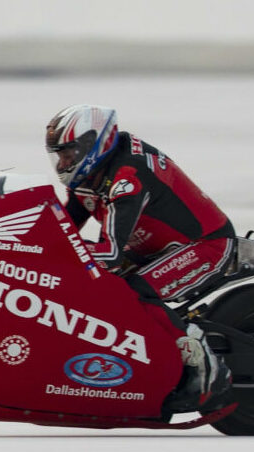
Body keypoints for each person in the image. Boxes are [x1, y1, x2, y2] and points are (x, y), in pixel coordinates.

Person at [45, 104, 234, 408]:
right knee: (93, 289)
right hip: (152, 249)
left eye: (68, 153)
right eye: (59, 155)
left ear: (93, 143)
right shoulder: (89, 173)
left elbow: (110, 253)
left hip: (204, 246)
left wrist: (55, 253)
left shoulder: (127, 176)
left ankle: (205, 366)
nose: (63, 162)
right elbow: (63, 227)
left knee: (137, 291)